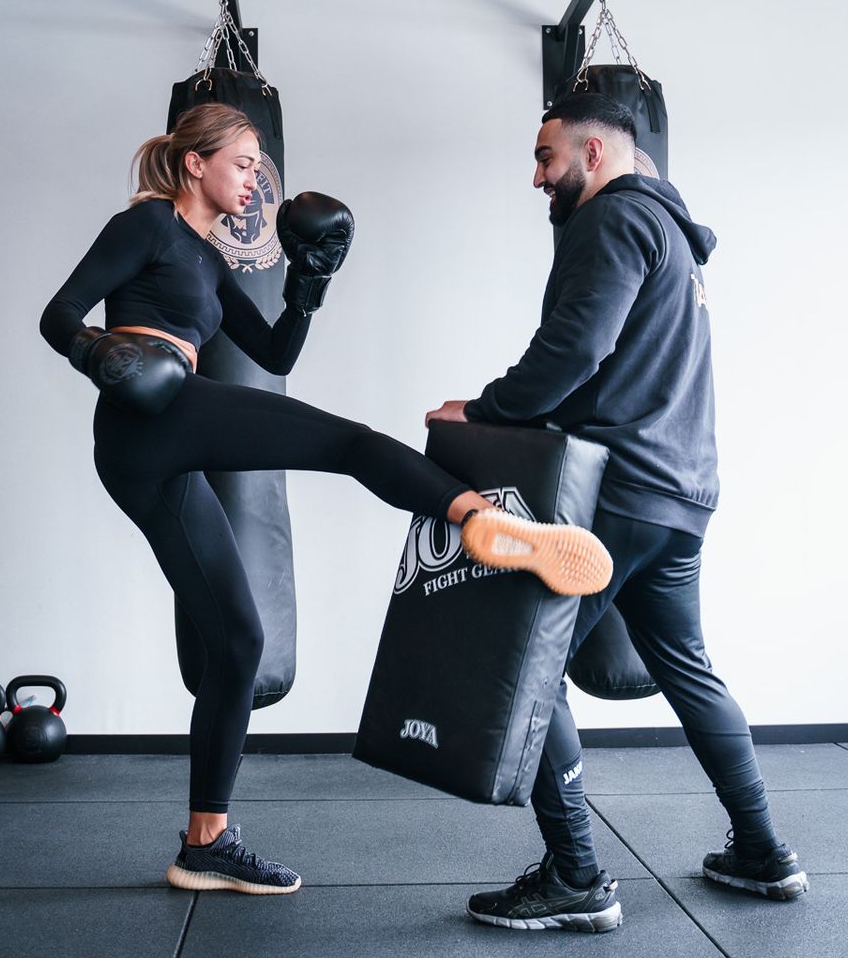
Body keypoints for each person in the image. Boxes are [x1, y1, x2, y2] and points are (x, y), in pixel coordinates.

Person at [40, 102, 615, 897]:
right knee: (350, 443)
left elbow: (275, 350)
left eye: (257, 169)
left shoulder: (209, 260)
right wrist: (106, 355)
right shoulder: (142, 227)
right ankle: (481, 518)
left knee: (237, 641)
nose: (254, 181)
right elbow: (57, 314)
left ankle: (204, 842)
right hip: (148, 412)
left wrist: (308, 284)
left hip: (161, 445)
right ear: (194, 164)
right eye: (244, 164)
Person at [428, 92, 805, 933]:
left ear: (593, 153)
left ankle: (576, 877)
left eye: (545, 157)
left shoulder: (613, 219)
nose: (536, 177)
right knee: (688, 668)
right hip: (682, 493)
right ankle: (763, 850)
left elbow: (575, 348)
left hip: (623, 489)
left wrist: (484, 412)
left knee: (525, 665)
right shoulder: (671, 230)